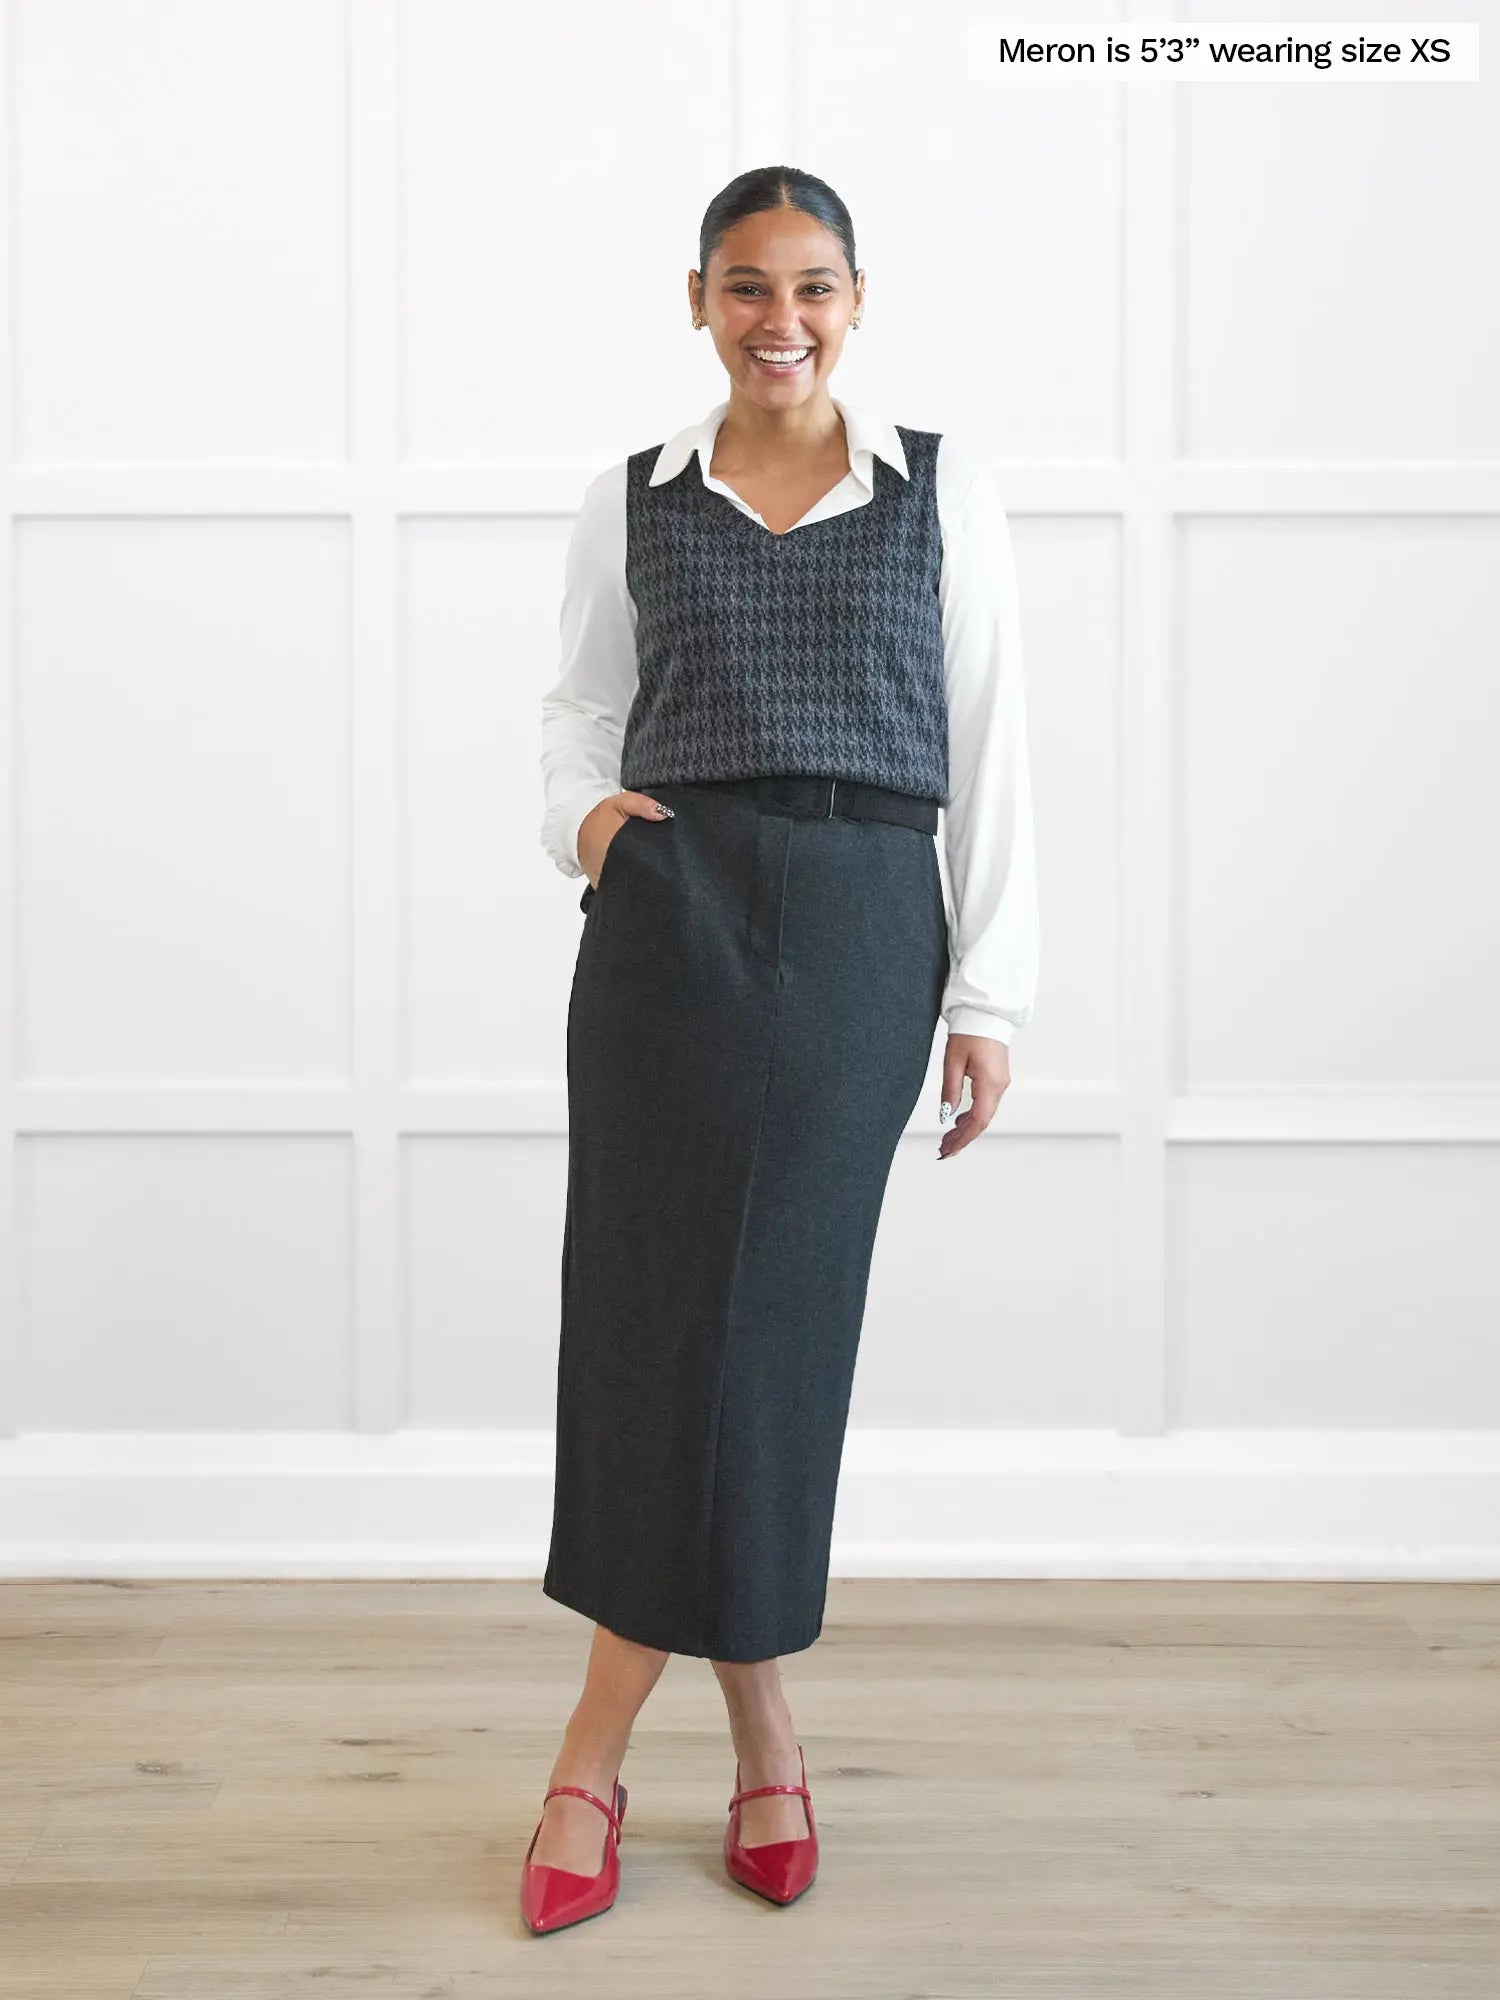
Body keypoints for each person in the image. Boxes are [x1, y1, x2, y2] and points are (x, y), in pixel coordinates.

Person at [523, 164, 1038, 1931]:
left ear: (857, 300)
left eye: (813, 287)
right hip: (672, 917)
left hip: (864, 916)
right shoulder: (634, 497)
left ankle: (595, 1748)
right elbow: (579, 707)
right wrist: (593, 828)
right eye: (747, 286)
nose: (782, 320)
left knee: (774, 1332)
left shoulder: (941, 490)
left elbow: (996, 741)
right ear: (699, 300)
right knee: (652, 1322)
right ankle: (756, 1729)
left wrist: (988, 997)